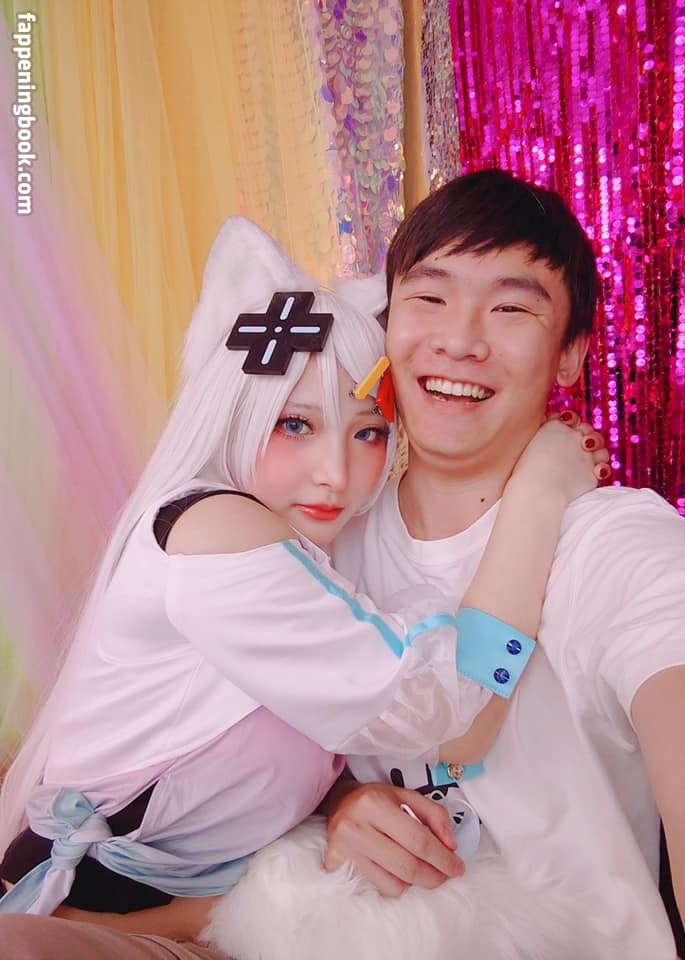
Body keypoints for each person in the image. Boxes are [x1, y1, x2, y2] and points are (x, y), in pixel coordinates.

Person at [0, 214, 606, 956]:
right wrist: (539, 492)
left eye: (368, 432)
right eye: (294, 425)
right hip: (81, 920)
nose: (336, 474)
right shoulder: (217, 532)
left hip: (197, 913)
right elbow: (443, 717)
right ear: (233, 414)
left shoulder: (309, 546)